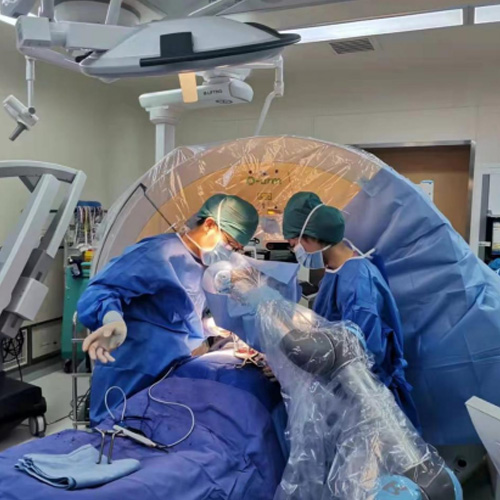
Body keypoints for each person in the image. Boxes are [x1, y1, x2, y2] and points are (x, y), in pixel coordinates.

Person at [78, 193, 259, 424]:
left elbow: (178, 321)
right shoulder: (158, 252)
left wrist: (209, 326)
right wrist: (112, 318)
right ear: (210, 225)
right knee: (113, 432)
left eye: (237, 249)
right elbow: (101, 289)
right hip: (131, 367)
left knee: (154, 433)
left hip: (171, 367)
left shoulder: (205, 268)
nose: (231, 252)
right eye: (230, 243)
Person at [282, 191, 421, 430]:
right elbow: (335, 329)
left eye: (293, 244)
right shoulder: (336, 271)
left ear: (310, 239)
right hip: (345, 392)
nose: (294, 251)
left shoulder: (357, 280)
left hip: (364, 398)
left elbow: (362, 354)